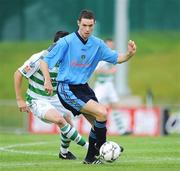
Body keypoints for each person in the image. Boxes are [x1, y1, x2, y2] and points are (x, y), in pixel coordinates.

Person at [40, 9, 136, 164]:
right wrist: (47, 80)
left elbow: (116, 58)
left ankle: (94, 155)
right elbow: (44, 61)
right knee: (102, 112)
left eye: (90, 26)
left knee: (98, 123)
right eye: (84, 25)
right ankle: (101, 149)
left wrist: (129, 55)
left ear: (94, 24)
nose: (87, 29)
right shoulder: (66, 42)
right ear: (78, 23)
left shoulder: (97, 44)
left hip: (83, 88)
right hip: (67, 88)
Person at [14, 30, 89, 160]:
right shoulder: (40, 58)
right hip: (37, 99)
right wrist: (19, 99)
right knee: (60, 120)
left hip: (54, 97)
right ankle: (90, 148)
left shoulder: (67, 61)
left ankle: (64, 153)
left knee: (69, 120)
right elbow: (18, 74)